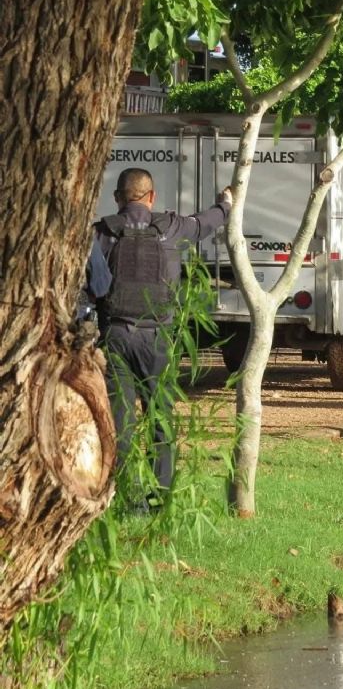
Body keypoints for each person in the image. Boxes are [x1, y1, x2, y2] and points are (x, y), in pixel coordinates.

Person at [92, 168, 231, 492]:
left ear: (117, 199)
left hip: (116, 336)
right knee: (160, 420)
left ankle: (127, 496)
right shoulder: (172, 228)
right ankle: (161, 497)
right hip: (156, 341)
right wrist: (226, 204)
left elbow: (92, 287)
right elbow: (206, 222)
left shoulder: (102, 232)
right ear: (151, 197)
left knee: (121, 424)